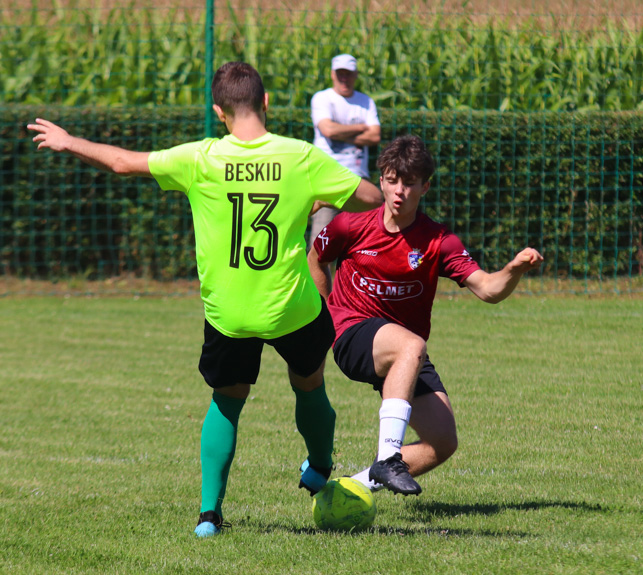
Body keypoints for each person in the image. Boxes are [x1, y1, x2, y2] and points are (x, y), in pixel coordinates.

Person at [28, 61, 382, 537]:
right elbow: (369, 196)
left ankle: (209, 515)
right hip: (291, 308)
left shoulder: (201, 158)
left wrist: (70, 141)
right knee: (310, 384)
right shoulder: (300, 157)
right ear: (267, 102)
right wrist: (320, 196)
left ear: (219, 111)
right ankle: (319, 466)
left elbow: (120, 162)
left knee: (227, 400)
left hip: (229, 313)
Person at [307, 135, 543, 495]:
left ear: (424, 186)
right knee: (411, 345)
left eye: (409, 182)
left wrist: (513, 269)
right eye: (391, 180)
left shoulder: (437, 241)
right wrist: (326, 318)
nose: (399, 190)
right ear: (381, 180)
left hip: (403, 350)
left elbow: (488, 289)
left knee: (442, 441)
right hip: (354, 334)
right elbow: (316, 258)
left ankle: (348, 490)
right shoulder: (350, 227)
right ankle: (389, 458)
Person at [309, 53, 381, 242]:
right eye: (340, 73)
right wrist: (359, 128)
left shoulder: (366, 102)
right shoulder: (322, 98)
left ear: (356, 75)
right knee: (321, 243)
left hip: (358, 179)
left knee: (362, 241)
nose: (344, 78)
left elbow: (375, 135)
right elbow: (328, 130)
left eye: (348, 73)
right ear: (333, 74)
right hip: (327, 178)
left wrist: (341, 133)